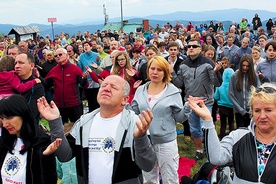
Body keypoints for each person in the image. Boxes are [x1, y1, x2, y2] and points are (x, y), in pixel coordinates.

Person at [37, 75, 156, 184]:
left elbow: (148, 165)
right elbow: (65, 156)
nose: (106, 88)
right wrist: (55, 121)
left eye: (113, 87)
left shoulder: (135, 123)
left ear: (125, 99)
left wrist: (140, 138)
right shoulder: (84, 122)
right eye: (104, 85)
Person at [188, 82, 276, 184]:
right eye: (257, 110)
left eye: (268, 110)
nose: (262, 116)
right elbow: (216, 158)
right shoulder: (238, 136)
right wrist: (208, 120)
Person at [132, 56, 191, 183]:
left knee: (170, 178)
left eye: (159, 70)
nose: (155, 72)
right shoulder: (141, 90)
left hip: (166, 142)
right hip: (145, 141)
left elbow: (180, 118)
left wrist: (187, 107)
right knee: (149, 179)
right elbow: (134, 112)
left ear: (165, 72)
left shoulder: (173, 91)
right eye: (152, 68)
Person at [172, 38, 221, 160]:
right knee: (194, 129)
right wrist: (171, 72)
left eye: (194, 46)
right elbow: (179, 84)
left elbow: (217, 83)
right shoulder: (183, 65)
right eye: (189, 46)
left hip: (206, 102)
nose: (191, 48)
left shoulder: (208, 63)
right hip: (191, 102)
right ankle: (199, 150)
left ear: (200, 49)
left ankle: (210, 148)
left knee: (207, 127)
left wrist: (215, 72)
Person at [0, 94, 57, 183]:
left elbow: (49, 179)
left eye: (9, 118)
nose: (5, 124)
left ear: (23, 115)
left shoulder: (42, 143)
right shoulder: (3, 143)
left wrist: (45, 157)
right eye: (2, 118)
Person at [43, 48, 88, 124]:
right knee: (61, 129)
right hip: (59, 105)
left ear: (66, 55)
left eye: (60, 54)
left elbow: (84, 85)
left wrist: (84, 79)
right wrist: (38, 77)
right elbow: (46, 85)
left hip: (74, 104)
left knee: (77, 128)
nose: (58, 57)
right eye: (56, 55)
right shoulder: (54, 70)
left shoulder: (75, 69)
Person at [228, 54, 260, 128]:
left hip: (251, 111)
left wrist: (253, 107)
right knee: (241, 132)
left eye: (247, 66)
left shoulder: (255, 76)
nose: (245, 68)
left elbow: (258, 92)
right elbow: (230, 94)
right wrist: (241, 110)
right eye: (243, 65)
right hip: (239, 111)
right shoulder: (234, 76)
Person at [15, 52, 45, 124]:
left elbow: (32, 113)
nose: (17, 66)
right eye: (15, 63)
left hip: (28, 129)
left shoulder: (37, 85)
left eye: (21, 63)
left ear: (31, 66)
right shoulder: (11, 82)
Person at [214, 68, 235, 140]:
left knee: (223, 124)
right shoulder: (234, 86)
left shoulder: (220, 85)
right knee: (231, 123)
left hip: (222, 107)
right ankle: (232, 138)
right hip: (231, 107)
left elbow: (215, 97)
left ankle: (222, 138)